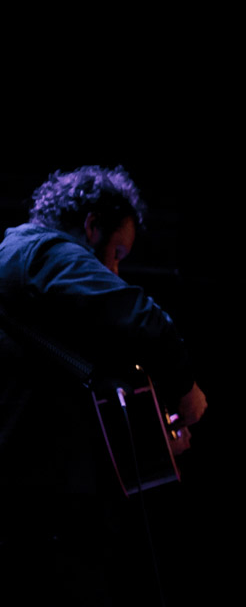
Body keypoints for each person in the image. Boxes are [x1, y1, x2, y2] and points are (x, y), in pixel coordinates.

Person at [0, 165, 207, 604]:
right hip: (50, 513)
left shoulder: (25, 267)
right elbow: (145, 321)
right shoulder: (43, 251)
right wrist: (186, 395)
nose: (114, 270)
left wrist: (153, 433)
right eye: (115, 252)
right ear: (90, 224)